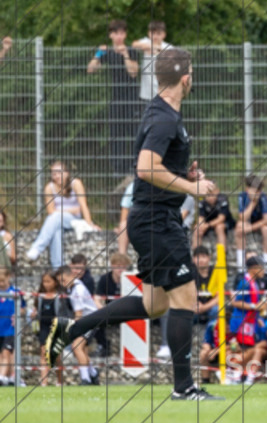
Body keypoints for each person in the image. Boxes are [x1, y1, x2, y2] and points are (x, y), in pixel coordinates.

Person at [46, 48, 223, 400]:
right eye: (192, 72)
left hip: (155, 218)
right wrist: (192, 187)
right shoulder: (164, 118)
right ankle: (184, 388)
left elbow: (156, 167)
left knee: (155, 304)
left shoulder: (164, 111)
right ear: (186, 78)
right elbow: (145, 168)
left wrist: (183, 175)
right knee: (185, 294)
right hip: (157, 221)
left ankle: (72, 328)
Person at [87, 19, 141, 176]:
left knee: (133, 131)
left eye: (122, 33)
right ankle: (118, 168)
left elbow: (133, 72)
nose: (119, 36)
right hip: (116, 97)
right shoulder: (107, 52)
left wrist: (124, 55)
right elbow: (91, 69)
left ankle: (134, 165)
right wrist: (98, 54)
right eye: (115, 33)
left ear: (125, 34)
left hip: (132, 98)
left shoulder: (131, 51)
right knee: (116, 132)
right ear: (111, 35)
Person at [26, 161, 99, 266]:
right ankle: (58, 268)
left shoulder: (76, 183)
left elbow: (83, 205)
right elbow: (50, 211)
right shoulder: (49, 188)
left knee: (56, 216)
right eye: (54, 174)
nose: (56, 176)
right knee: (56, 231)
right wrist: (72, 209)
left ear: (67, 173)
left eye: (59, 173)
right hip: (57, 220)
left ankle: (37, 248)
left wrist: (90, 223)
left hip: (73, 220)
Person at [54, 265, 100, 385]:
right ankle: (93, 374)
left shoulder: (77, 291)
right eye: (60, 281)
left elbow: (78, 313)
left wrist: (72, 330)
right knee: (82, 349)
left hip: (90, 321)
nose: (62, 284)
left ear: (71, 276)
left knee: (76, 347)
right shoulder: (73, 286)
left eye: (63, 280)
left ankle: (85, 379)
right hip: (88, 320)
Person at [93, 252, 132, 356]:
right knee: (95, 319)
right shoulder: (105, 279)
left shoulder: (131, 279)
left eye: (123, 266)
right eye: (117, 266)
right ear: (112, 266)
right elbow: (97, 298)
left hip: (127, 311)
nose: (120, 269)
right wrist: (102, 309)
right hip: (110, 311)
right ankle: (103, 346)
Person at [235, 174, 267, 266]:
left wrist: (250, 228)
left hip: (261, 222)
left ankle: (266, 261)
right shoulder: (242, 196)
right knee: (239, 226)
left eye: (259, 191)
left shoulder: (263, 197)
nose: (257, 194)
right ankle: (241, 263)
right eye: (255, 191)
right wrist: (253, 203)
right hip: (250, 221)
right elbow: (242, 217)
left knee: (266, 229)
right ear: (247, 189)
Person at [131, 20, 173, 102]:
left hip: (164, 93)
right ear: (148, 33)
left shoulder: (169, 48)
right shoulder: (146, 42)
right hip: (147, 93)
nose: (155, 36)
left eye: (158, 33)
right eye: (153, 33)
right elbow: (134, 44)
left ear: (164, 35)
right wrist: (150, 47)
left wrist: (159, 50)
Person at [34, 271, 63, 386]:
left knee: (56, 355)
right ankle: (44, 383)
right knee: (43, 353)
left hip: (56, 327)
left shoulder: (60, 296)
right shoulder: (40, 297)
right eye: (44, 282)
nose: (46, 284)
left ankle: (59, 380)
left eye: (48, 281)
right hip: (43, 327)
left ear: (55, 282)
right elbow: (37, 310)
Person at [0, 268, 24, 386]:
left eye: (2, 281)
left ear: (8, 277)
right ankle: (7, 377)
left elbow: (23, 307)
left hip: (10, 329)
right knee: (2, 355)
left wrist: (17, 314)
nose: (0, 283)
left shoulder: (14, 292)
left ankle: (2, 376)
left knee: (6, 352)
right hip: (0, 329)